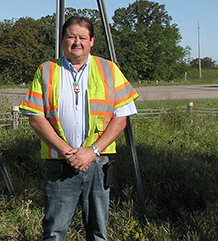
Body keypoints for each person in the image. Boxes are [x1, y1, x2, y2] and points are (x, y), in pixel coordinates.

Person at [20, 16, 139, 241]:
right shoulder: (46, 70)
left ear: (92, 41)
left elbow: (121, 118)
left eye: (82, 37)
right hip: (59, 163)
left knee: (98, 231)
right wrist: (68, 151)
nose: (77, 42)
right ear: (62, 40)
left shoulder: (109, 69)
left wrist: (91, 151)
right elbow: (35, 117)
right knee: (54, 231)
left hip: (98, 162)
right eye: (71, 37)